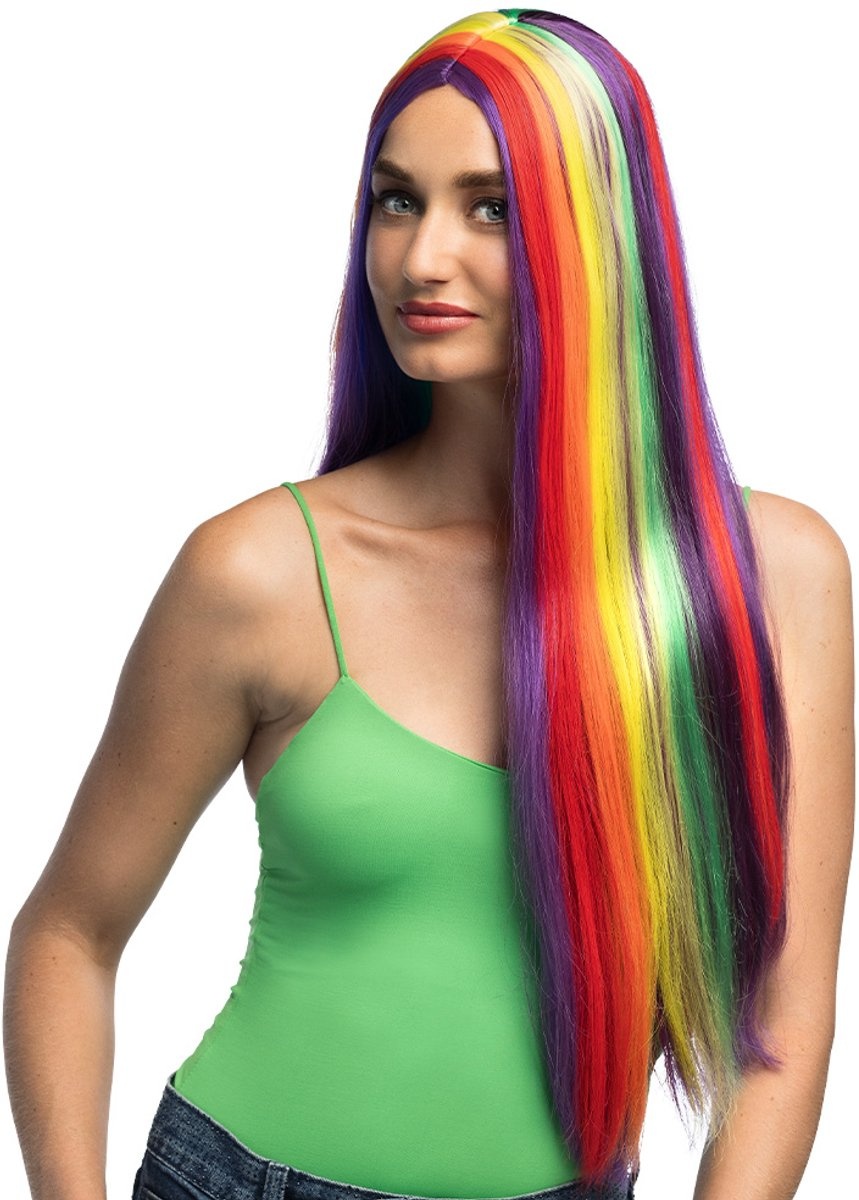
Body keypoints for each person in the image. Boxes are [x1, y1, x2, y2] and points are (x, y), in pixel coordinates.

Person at [4, 8, 853, 1200]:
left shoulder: (770, 577)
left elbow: (786, 1017)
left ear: (605, 234)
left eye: (491, 208)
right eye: (396, 201)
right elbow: (68, 932)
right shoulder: (261, 572)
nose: (420, 259)